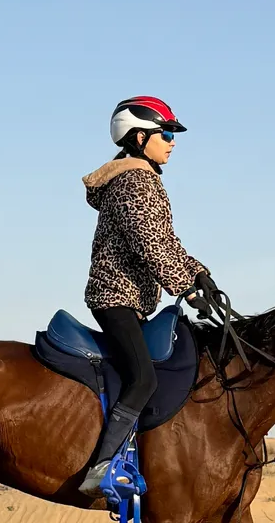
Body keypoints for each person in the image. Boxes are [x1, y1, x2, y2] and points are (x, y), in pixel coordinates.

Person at [77, 95, 226, 494]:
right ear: (140, 137)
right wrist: (186, 289)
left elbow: (165, 241)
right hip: (116, 297)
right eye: (167, 133)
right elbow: (150, 243)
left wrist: (198, 274)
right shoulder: (134, 180)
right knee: (143, 379)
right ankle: (101, 466)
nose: (173, 141)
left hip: (130, 298)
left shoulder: (141, 178)